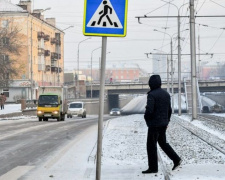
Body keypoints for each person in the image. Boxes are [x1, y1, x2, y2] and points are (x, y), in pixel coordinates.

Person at [142, 75, 182, 174]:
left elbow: (149, 110)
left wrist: (147, 119)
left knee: (151, 145)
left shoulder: (152, 95)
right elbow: (169, 110)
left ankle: (153, 168)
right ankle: (176, 159)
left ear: (151, 83)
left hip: (154, 124)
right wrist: (167, 121)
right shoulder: (166, 94)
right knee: (163, 143)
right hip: (163, 123)